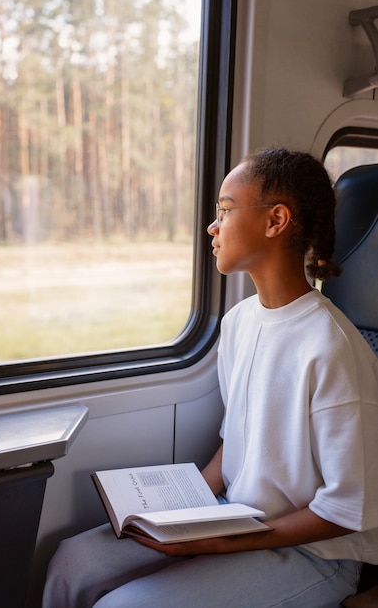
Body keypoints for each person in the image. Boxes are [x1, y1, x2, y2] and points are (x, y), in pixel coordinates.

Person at [42, 148, 378, 608]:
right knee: (73, 563)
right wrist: (189, 511)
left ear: (275, 220)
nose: (211, 227)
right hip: (236, 517)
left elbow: (345, 510)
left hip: (313, 553)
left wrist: (222, 542)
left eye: (225, 209)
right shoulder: (239, 323)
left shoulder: (333, 347)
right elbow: (237, 443)